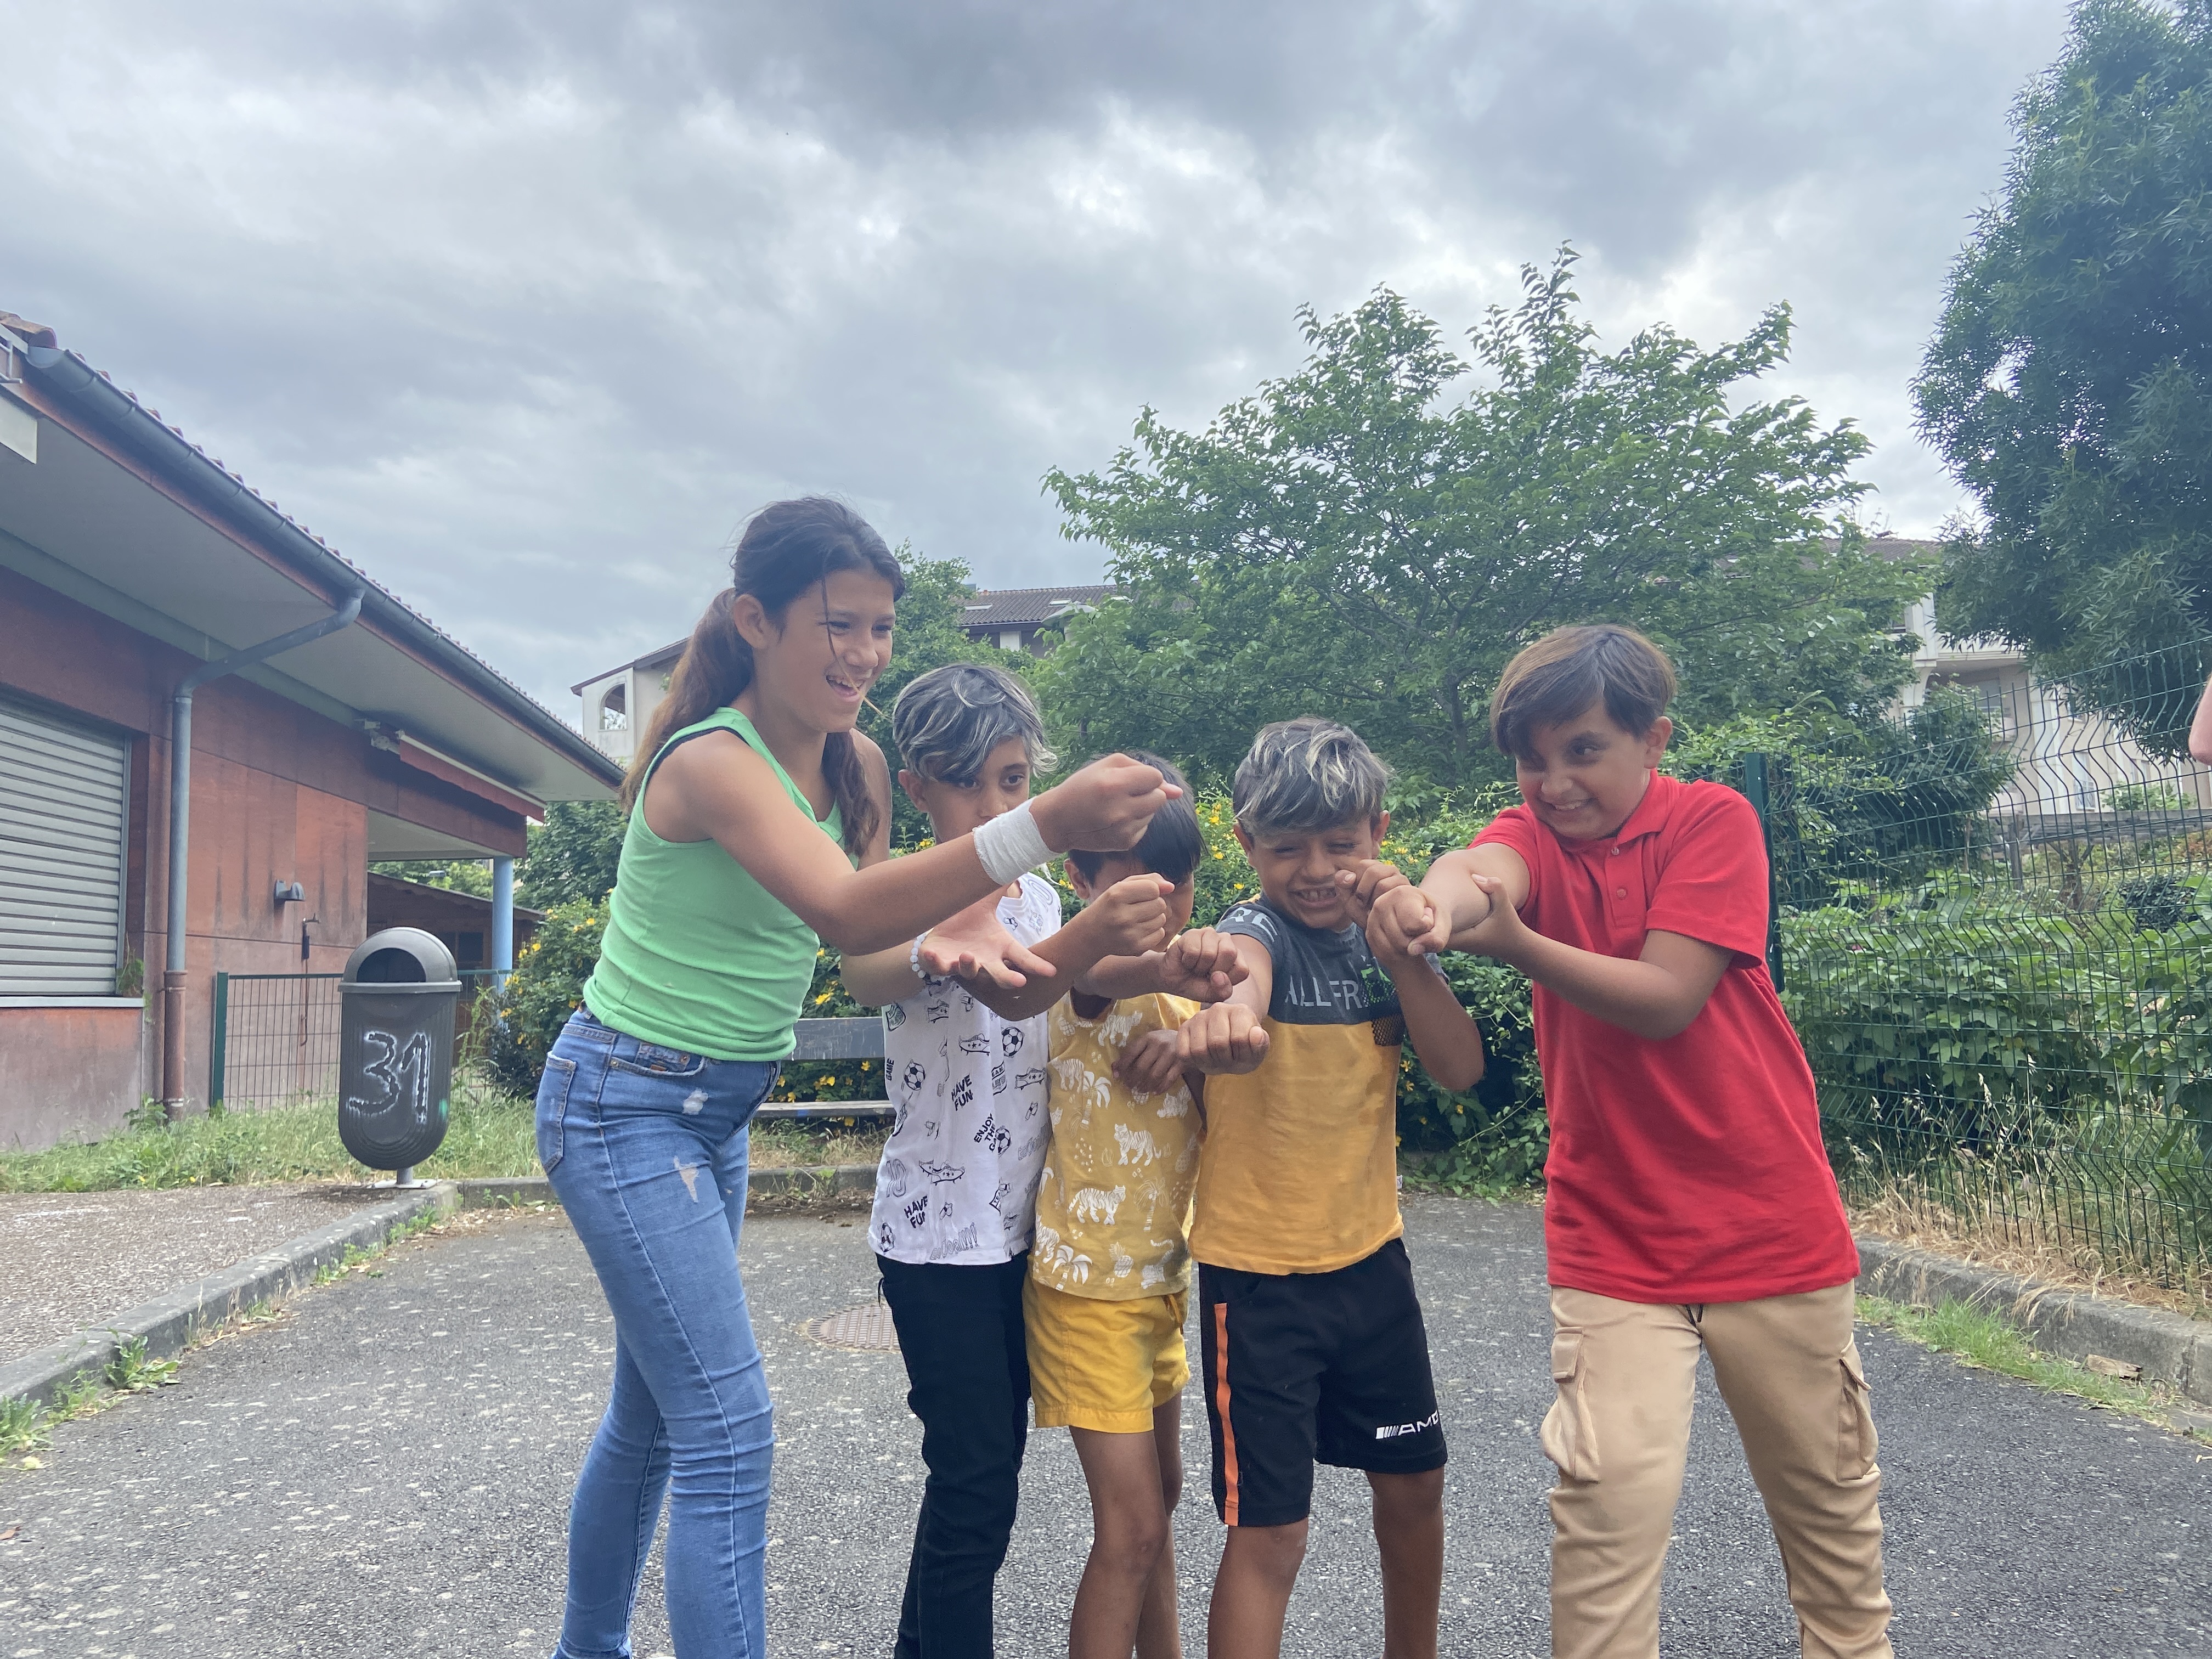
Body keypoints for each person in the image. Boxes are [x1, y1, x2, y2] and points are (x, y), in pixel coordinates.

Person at [533, 500, 1177, 1659]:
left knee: (655, 1421)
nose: (865, 653)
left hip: (715, 1115)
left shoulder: (857, 764)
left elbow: (870, 950)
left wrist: (951, 943)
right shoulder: (713, 763)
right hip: (623, 1102)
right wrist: (1044, 822)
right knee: (727, 1432)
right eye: (839, 624)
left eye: (881, 627)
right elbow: (840, 906)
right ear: (755, 620)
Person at [1363, 624, 1893, 1659]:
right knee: (1604, 1518)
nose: (1555, 783)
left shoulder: (1714, 821)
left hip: (1770, 1227)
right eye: (1534, 759)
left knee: (1831, 1532)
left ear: (1654, 740)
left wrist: (1515, 943)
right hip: (1614, 1240)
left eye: (1584, 750)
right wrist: (1430, 907)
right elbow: (1480, 869)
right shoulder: (1532, 835)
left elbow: (1665, 999)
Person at [836, 672, 1240, 1658]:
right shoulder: (909, 893)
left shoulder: (1040, 895)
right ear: (919, 786)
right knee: (977, 1485)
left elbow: (1072, 974)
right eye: (969, 783)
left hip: (1029, 1234)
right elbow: (864, 966)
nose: (997, 808)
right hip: (937, 1243)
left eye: (1015, 782)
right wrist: (930, 951)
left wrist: (1160, 967)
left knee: (977, 1481)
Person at [1175, 718, 1486, 1659]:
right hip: (1258, 1284)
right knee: (1272, 1532)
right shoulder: (1251, 932)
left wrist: (1405, 957)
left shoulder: (1385, 943)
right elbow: (1245, 983)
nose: (1315, 870)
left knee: (1416, 1486)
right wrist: (1230, 1018)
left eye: (1340, 844)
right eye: (1287, 848)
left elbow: (1460, 1069)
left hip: (1371, 1266)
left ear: (1378, 834)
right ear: (1246, 844)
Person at [1027, 752, 1210, 1659]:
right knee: (1130, 1527)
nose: (1160, 907)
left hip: (1161, 1281)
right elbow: (1105, 971)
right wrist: (1190, 977)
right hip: (1085, 1291)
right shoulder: (1075, 970)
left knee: (1160, 1507)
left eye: (1177, 886)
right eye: (1133, 887)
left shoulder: (1186, 990)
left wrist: (1195, 1048)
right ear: (1080, 879)